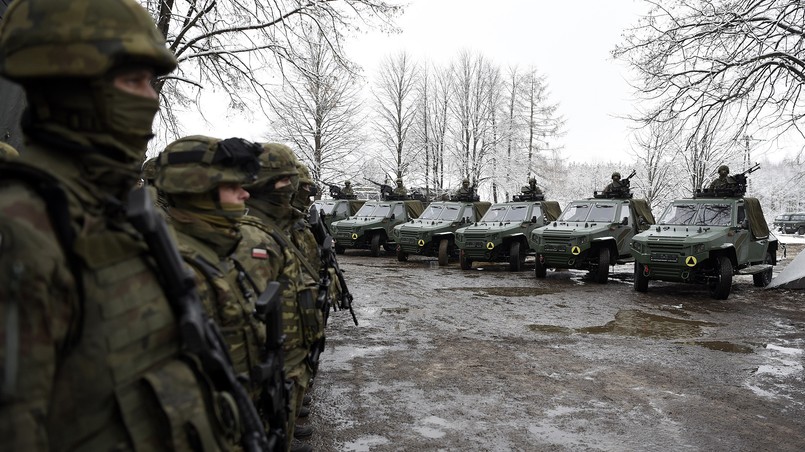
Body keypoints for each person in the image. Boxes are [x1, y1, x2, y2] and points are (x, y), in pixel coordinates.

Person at [0, 0, 244, 450]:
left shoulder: (113, 213)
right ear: (71, 86)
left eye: (150, 82)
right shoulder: (24, 229)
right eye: (132, 80)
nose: (151, 98)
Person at [234, 143, 320, 452]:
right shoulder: (252, 235)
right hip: (270, 359)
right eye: (286, 181)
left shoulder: (277, 226)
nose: (294, 189)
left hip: (287, 354)